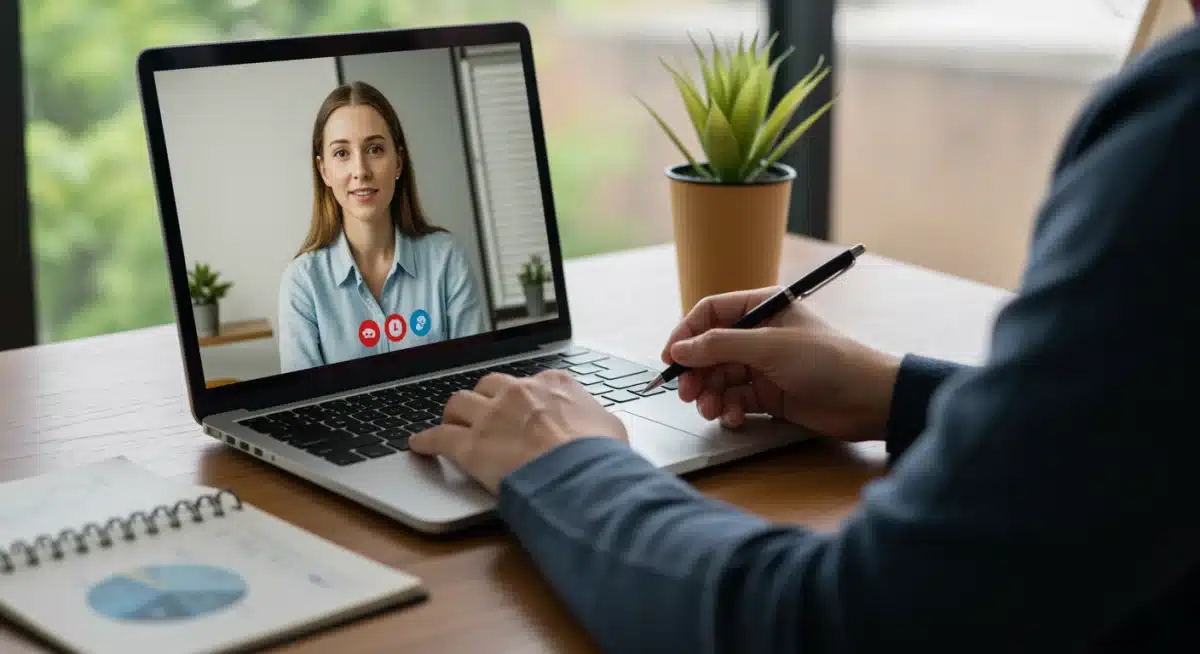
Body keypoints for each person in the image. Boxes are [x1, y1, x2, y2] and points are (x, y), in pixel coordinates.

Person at [407, 15, 1200, 654]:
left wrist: (566, 466)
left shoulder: (1177, 129)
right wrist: (899, 395)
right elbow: (1155, 432)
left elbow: (849, 623)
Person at [278, 80, 487, 373]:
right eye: (341, 154)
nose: (360, 171)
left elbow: (474, 381)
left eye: (375, 149)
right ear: (323, 170)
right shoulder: (302, 283)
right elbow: (303, 411)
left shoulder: (447, 259)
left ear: (398, 162)